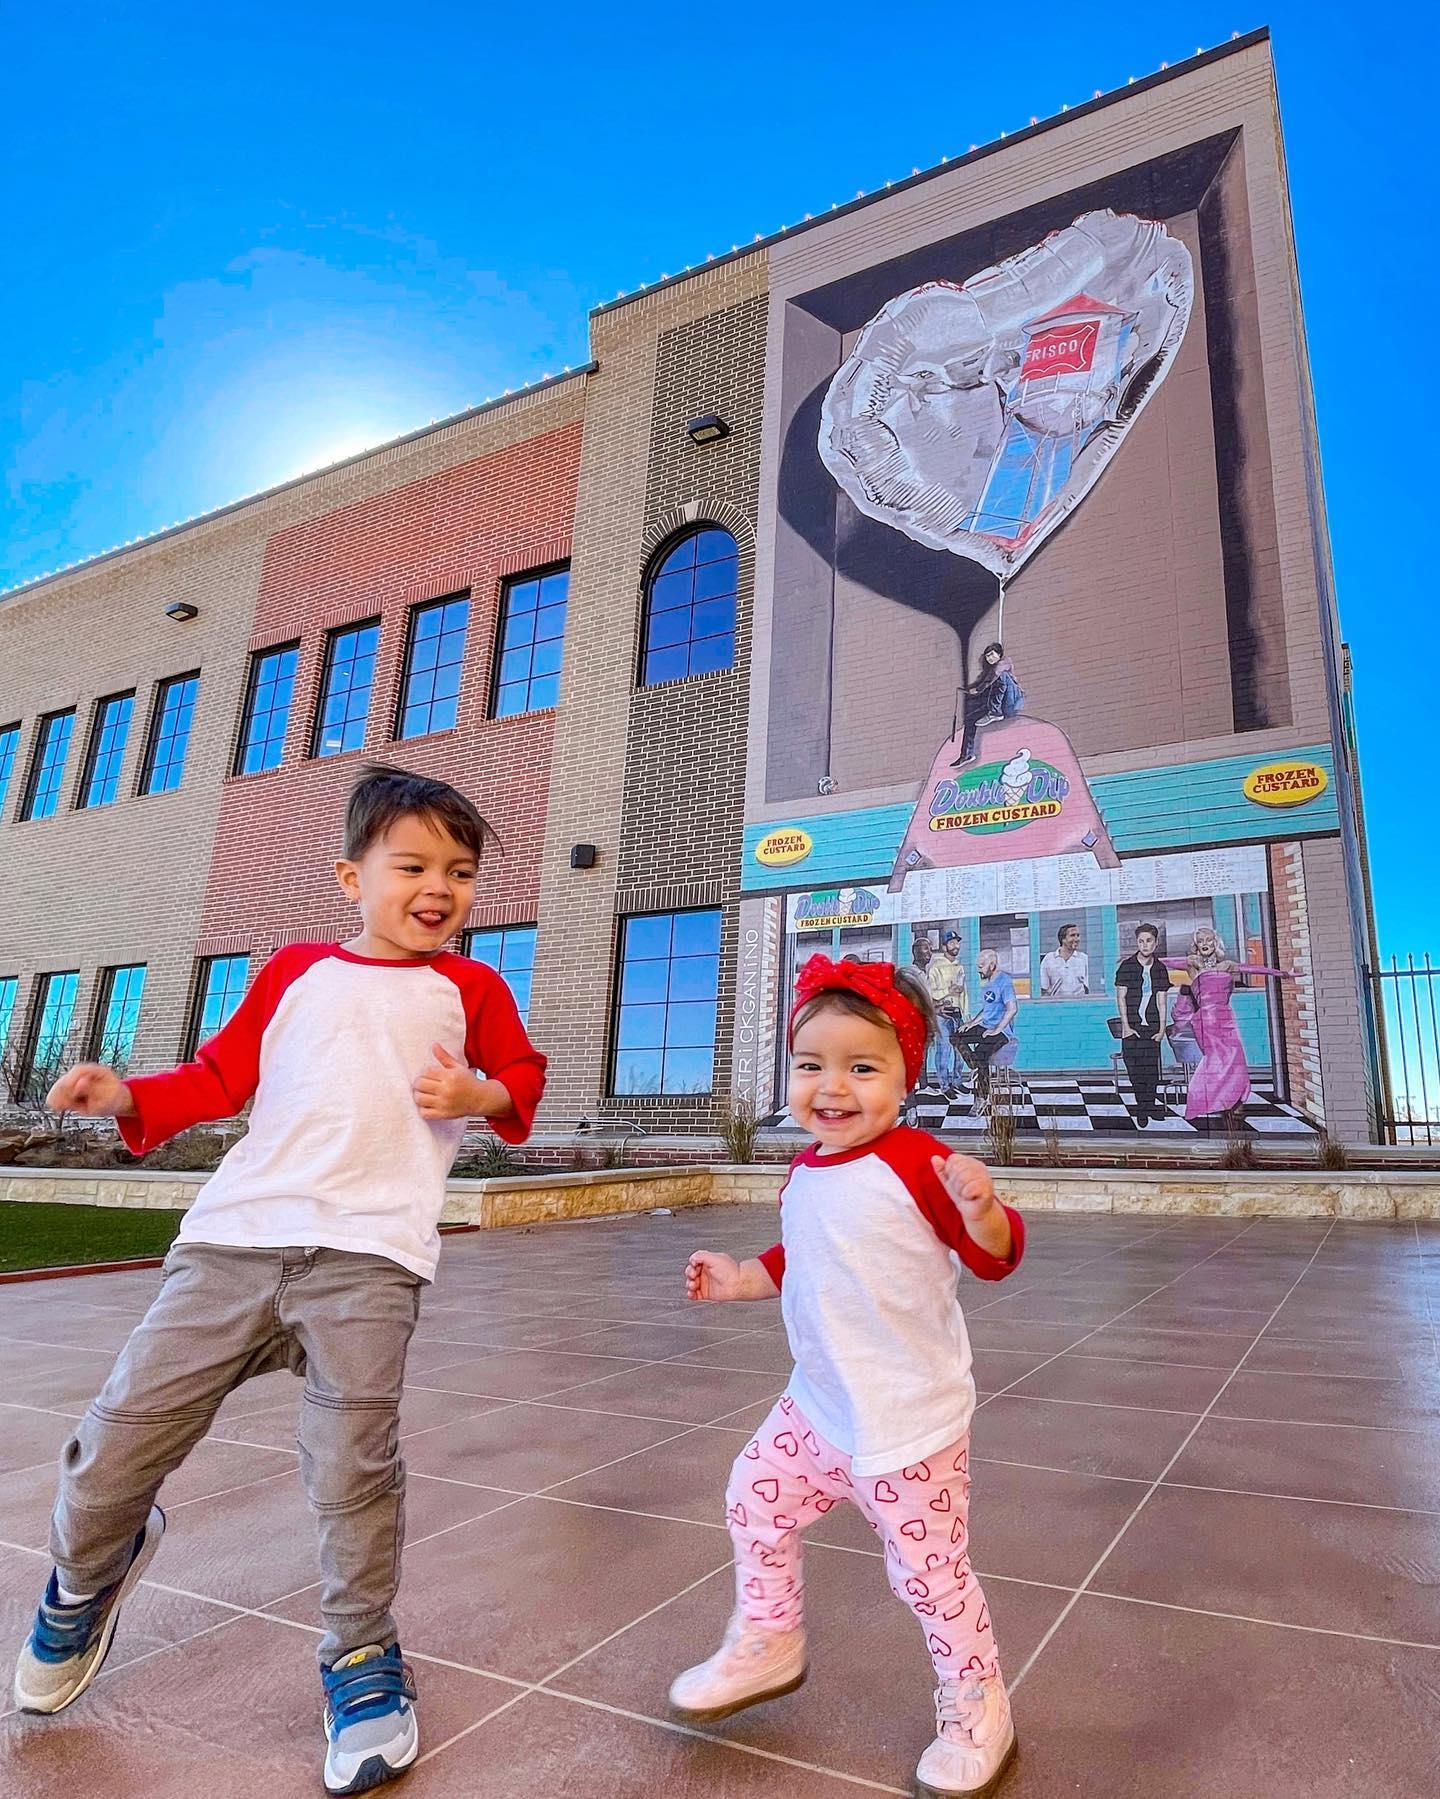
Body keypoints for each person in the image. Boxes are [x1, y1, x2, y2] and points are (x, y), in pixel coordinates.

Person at [10, 765, 547, 1795]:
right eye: (414, 864)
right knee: (117, 1438)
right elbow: (217, 1078)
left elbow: (522, 1083)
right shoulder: (296, 969)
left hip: (370, 1262)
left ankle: (361, 1658)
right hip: (236, 1242)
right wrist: (128, 1092)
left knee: (351, 1465)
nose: (440, 886)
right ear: (352, 875)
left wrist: (481, 1088)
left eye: (462, 870)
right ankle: (88, 1574)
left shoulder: (472, 989)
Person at [672, 954, 1025, 1798]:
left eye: (862, 1067)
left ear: (906, 1075)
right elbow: (801, 1255)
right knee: (753, 1497)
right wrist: (741, 1278)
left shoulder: (917, 1161)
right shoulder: (806, 1168)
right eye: (811, 1064)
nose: (832, 1087)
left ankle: (978, 1699)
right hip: (820, 1408)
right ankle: (769, 1635)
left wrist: (982, 1209)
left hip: (908, 1426)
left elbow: (994, 1257)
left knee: (930, 1574)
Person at [1162, 927, 1293, 1126]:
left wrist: (1283, 974)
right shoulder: (1193, 963)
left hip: (1226, 1018)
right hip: (1206, 1019)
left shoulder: (1227, 965)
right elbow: (1165, 962)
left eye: (1209, 940)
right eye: (1201, 940)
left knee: (1235, 1059)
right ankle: (1213, 1099)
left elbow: (1254, 969)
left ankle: (1234, 1101)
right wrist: (1135, 961)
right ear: (1196, 945)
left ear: (1216, 943)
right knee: (1217, 1060)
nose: (1205, 943)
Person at [1114, 922, 1171, 1127]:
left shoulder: (1160, 969)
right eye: (1141, 941)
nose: (1145, 945)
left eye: (1149, 941)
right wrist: (1126, 1027)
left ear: (1155, 943)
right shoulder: (1127, 966)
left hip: (1152, 1028)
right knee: (1135, 1070)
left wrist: (1162, 1029)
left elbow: (1162, 1001)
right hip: (1132, 1028)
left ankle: (1148, 1108)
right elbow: (1121, 998)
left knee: (1151, 1071)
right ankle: (1142, 1107)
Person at [955, 950, 1019, 1100]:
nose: (979, 969)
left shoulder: (1004, 981)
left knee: (981, 1054)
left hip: (1002, 1032)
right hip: (986, 1026)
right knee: (956, 1036)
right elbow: (987, 1010)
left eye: (982, 966)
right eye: (978, 966)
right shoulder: (988, 983)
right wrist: (971, 1023)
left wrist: (997, 1029)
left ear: (992, 965)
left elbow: (1012, 1009)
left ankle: (982, 1098)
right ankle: (974, 1065)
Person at [953, 642, 1024, 767]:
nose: (989, 658)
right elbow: (982, 681)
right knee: (970, 719)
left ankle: (995, 712)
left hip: (1011, 701)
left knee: (1001, 677)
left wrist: (979, 689)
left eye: (992, 655)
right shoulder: (989, 671)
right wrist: (968, 689)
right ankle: (967, 754)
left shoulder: (1004, 663)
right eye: (987, 656)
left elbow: (992, 677)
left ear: (999, 654)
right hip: (997, 703)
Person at [927, 931, 969, 1099]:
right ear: (944, 947)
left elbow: (964, 993)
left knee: (960, 1050)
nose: (955, 946)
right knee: (944, 1050)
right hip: (943, 1015)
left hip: (958, 1014)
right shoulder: (936, 967)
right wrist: (948, 991)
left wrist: (966, 1014)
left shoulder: (960, 967)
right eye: (951, 943)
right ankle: (945, 1085)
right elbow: (931, 993)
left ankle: (957, 1081)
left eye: (957, 943)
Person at [1039, 924, 1090, 997]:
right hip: (1057, 1004)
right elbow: (1044, 988)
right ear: (1063, 939)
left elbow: (1088, 987)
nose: (1076, 939)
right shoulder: (1049, 959)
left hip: (1079, 1004)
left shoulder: (1084, 959)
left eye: (1078, 935)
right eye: (1072, 935)